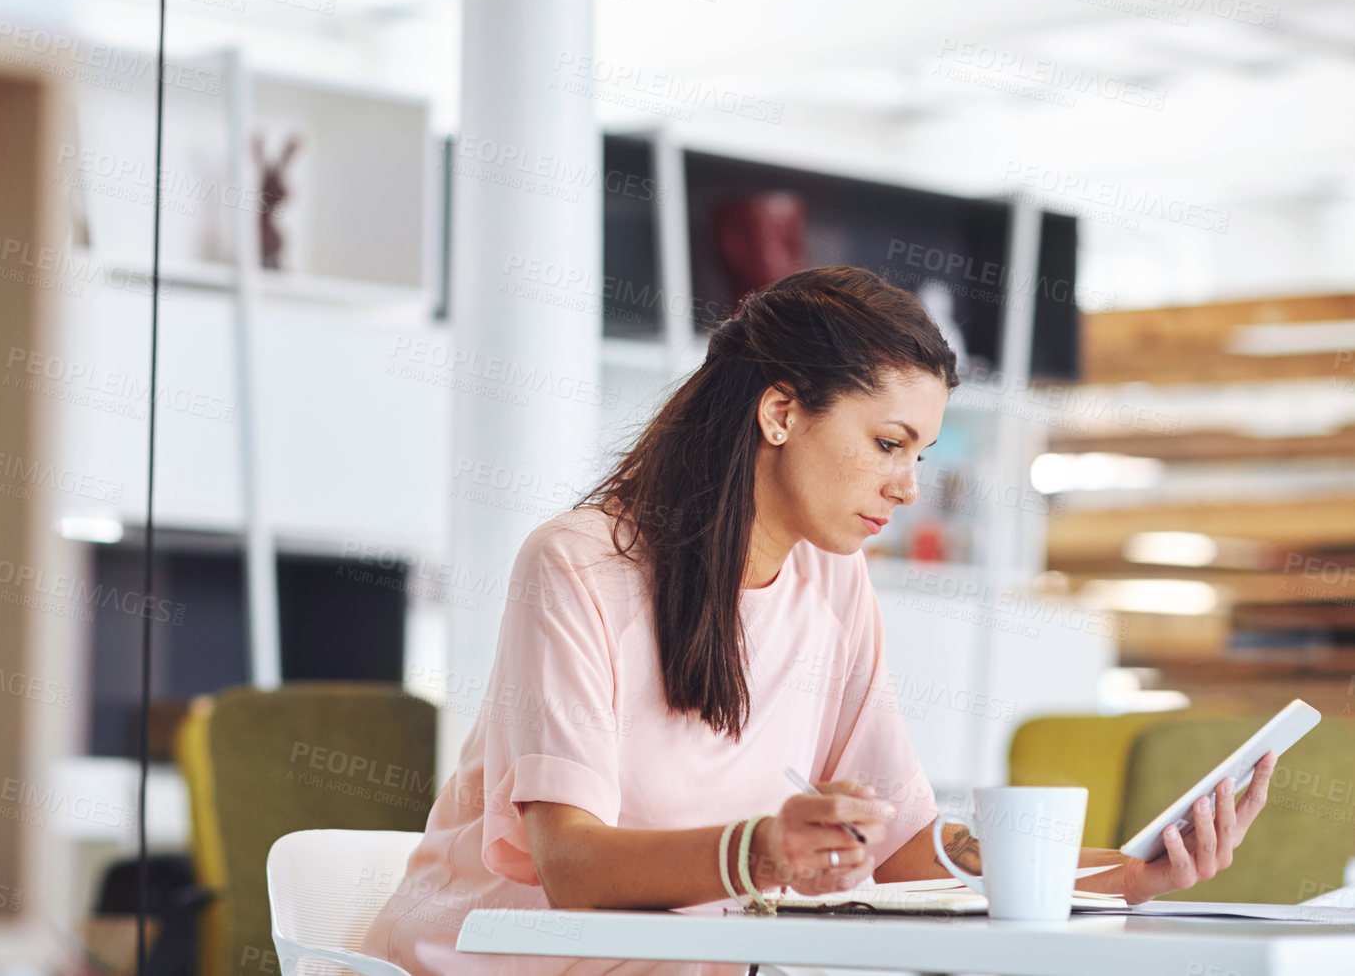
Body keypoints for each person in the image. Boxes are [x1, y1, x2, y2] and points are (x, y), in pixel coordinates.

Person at [362, 266, 1273, 976]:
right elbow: (572, 864)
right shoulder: (576, 565)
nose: (909, 486)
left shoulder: (835, 581)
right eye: (887, 443)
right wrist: (761, 850)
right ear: (781, 409)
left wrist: (1128, 871)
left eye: (922, 452)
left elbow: (912, 845)